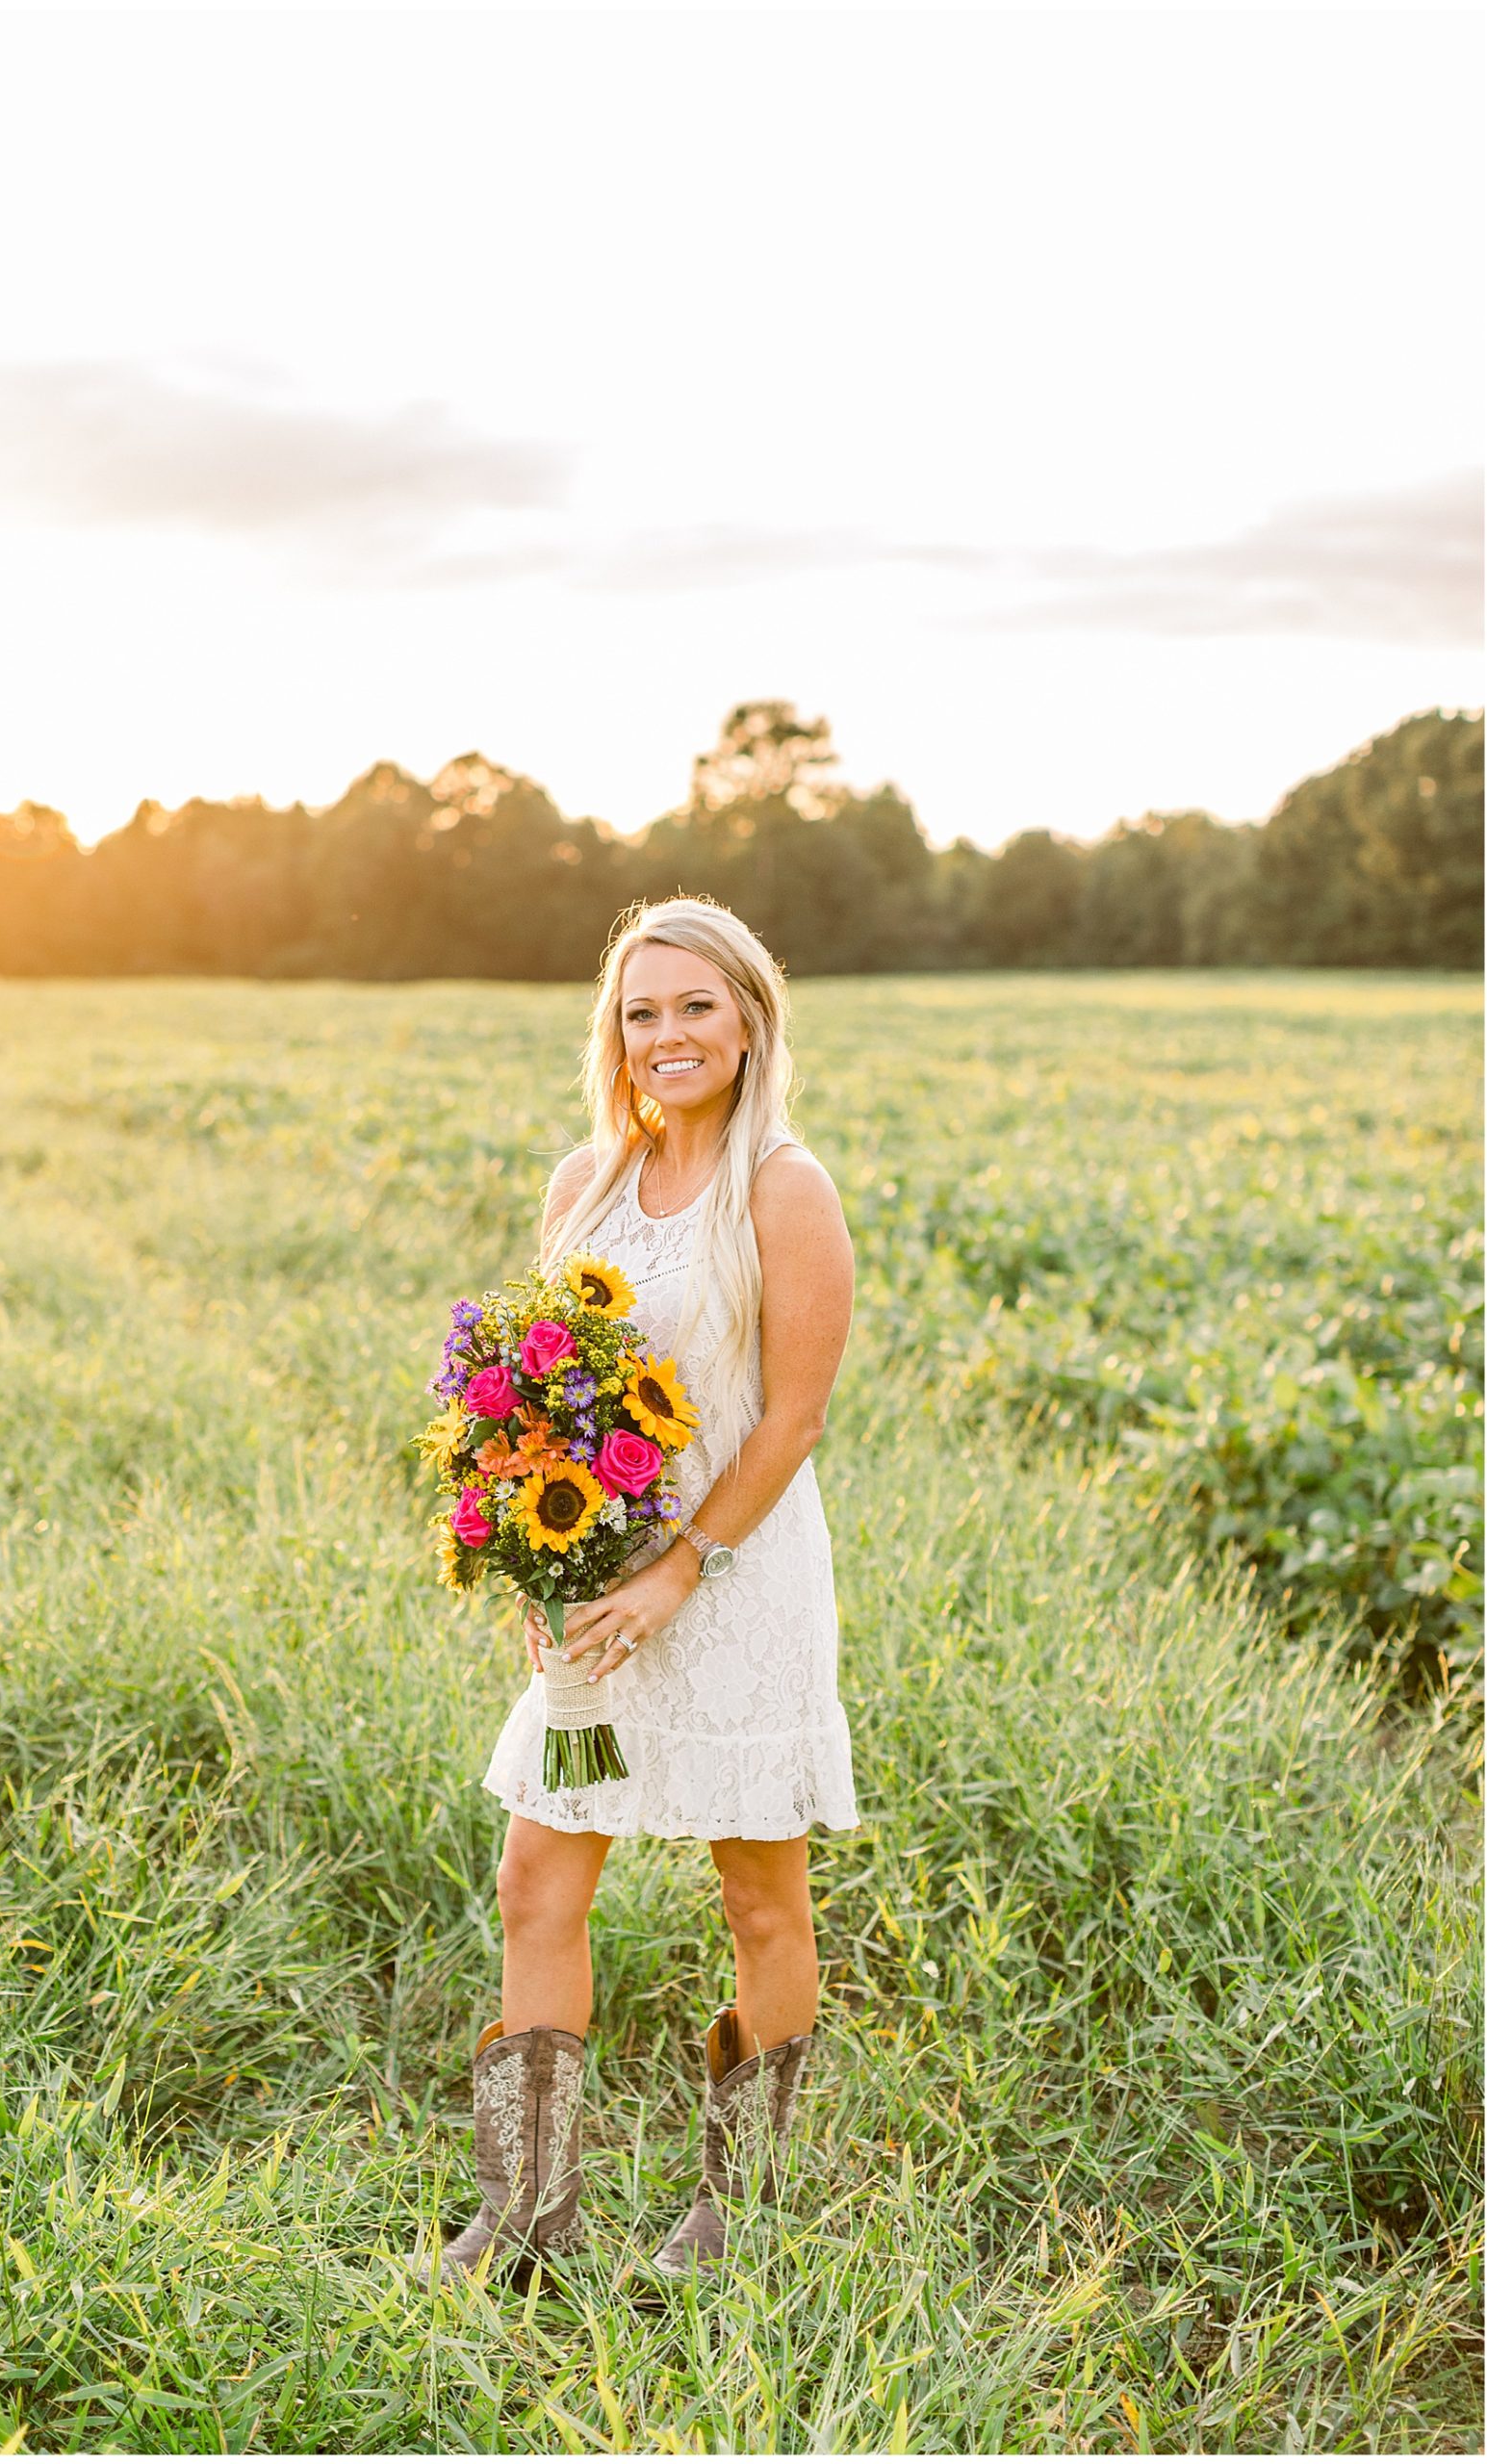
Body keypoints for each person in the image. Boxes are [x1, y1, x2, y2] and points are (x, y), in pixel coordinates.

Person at [426, 895, 859, 2286]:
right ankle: (525, 2222)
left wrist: (682, 1568)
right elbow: (539, 1391)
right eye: (639, 1010)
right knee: (535, 1876)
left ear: (747, 1020)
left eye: (693, 1006)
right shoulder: (584, 1184)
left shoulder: (783, 1187)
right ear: (612, 1033)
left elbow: (791, 1420)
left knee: (756, 1901)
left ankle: (744, 2218)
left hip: (731, 1585)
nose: (666, 1034)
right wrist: (531, 1549)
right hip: (594, 1598)